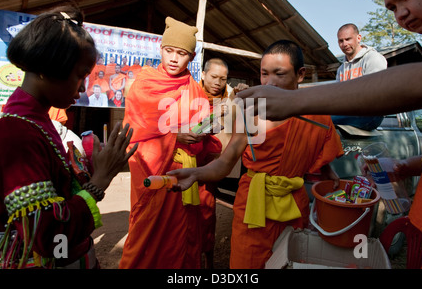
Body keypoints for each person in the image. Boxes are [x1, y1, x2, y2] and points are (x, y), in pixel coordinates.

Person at [236, 0, 422, 269]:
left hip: (350, 134)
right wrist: (406, 166)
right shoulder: (250, 116)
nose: (400, 14)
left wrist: (298, 102)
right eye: (392, 8)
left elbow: (418, 83)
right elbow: (225, 161)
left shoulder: (325, 109)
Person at [169, 40, 344, 269]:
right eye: (264, 74)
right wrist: (196, 173)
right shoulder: (250, 112)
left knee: (291, 262)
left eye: (279, 74)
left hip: (293, 204)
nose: (269, 83)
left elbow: (320, 158)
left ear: (300, 75)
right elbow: (225, 162)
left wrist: (330, 173)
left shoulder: (318, 117)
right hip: (253, 206)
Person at [0, 5, 137, 269]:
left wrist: (89, 169)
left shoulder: (38, 126)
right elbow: (47, 235)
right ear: (48, 69)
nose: (82, 88)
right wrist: (101, 180)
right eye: (80, 76)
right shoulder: (15, 136)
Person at [119, 17, 222, 269]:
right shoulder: (145, 83)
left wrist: (207, 130)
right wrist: (174, 135)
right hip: (154, 173)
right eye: (169, 51)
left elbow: (203, 132)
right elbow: (133, 129)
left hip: (185, 175)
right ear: (161, 50)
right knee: (146, 232)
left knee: (183, 236)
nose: (174, 58)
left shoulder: (195, 90)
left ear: (192, 56)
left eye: (182, 53)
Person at [198, 58, 248, 268]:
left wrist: (241, 96)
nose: (218, 83)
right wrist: (210, 118)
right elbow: (190, 131)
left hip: (218, 167)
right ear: (203, 75)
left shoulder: (230, 97)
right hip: (191, 163)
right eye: (213, 77)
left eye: (223, 79)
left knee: (207, 214)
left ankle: (208, 260)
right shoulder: (192, 96)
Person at [332, 23, 388, 131]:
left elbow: (372, 93)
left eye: (348, 39)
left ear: (358, 38)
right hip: (348, 113)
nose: (344, 44)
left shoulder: (373, 58)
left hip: (370, 114)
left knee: (324, 121)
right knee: (315, 118)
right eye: (341, 41)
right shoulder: (341, 69)